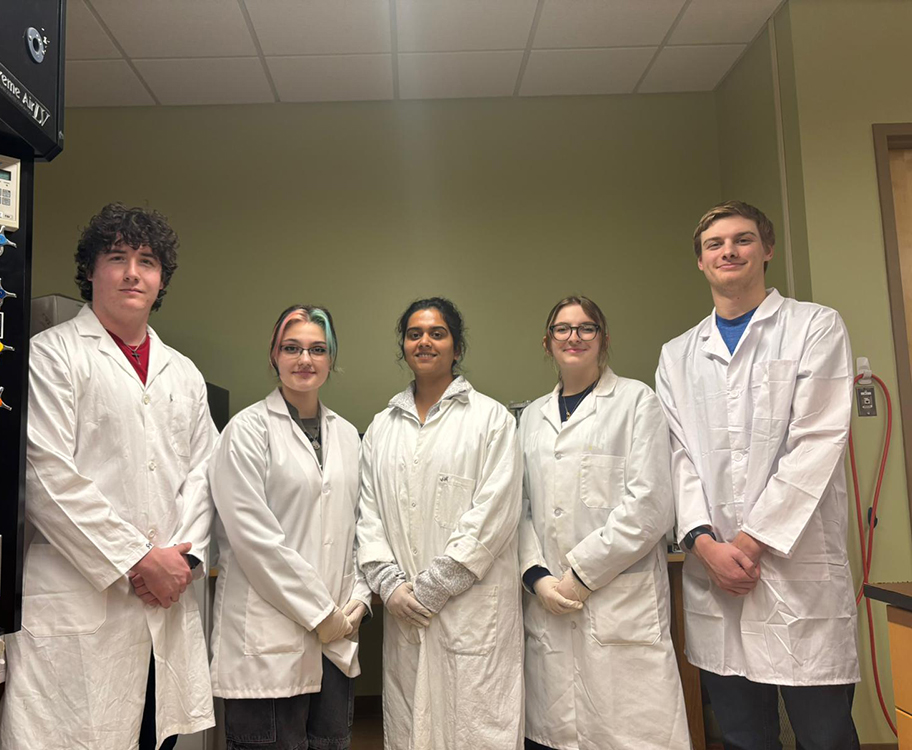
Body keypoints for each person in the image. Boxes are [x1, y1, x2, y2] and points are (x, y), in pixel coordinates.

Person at [0, 203, 217, 750]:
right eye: (117, 258)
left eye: (147, 261)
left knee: (152, 734)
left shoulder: (184, 373)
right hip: (82, 599)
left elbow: (207, 475)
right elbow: (45, 473)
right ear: (90, 270)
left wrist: (181, 562)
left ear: (161, 281)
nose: (133, 273)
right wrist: (138, 559)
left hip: (164, 601)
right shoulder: (51, 356)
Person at [655, 201, 860, 749]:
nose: (728, 251)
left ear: (767, 249)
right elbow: (677, 456)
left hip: (796, 568)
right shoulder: (677, 355)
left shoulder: (814, 326)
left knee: (825, 735)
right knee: (743, 735)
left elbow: (816, 440)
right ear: (700, 261)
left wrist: (748, 543)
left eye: (742, 240)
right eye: (714, 244)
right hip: (715, 574)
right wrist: (704, 544)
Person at [518, 295, 691, 750]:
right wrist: (537, 577)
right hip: (549, 604)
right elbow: (521, 509)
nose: (573, 337)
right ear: (547, 342)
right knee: (556, 735)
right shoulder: (531, 418)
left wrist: (580, 576)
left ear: (604, 339)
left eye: (586, 328)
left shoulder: (637, 402)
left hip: (618, 605)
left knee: (630, 734)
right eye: (562, 329)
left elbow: (650, 505)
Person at [357, 297, 525, 750]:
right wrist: (390, 584)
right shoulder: (381, 427)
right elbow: (368, 514)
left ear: (457, 346)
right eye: (414, 334)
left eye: (437, 333)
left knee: (475, 729)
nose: (424, 342)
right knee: (411, 729)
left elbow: (495, 514)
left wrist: (434, 586)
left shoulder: (490, 419)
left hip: (470, 614)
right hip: (405, 612)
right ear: (403, 346)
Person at [208, 304, 372, 750]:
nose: (305, 359)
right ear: (274, 356)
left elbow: (362, 527)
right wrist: (321, 614)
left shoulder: (348, 436)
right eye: (292, 348)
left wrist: (359, 599)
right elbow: (255, 540)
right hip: (269, 645)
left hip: (336, 639)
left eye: (317, 349)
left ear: (331, 358)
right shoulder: (246, 431)